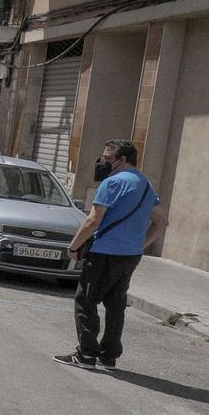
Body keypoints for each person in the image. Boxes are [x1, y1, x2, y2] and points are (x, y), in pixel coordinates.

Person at [59, 139, 168, 371]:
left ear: (122, 159)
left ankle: (86, 355)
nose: (103, 162)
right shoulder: (146, 185)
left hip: (104, 254)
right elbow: (162, 222)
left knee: (85, 301)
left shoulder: (112, 183)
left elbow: (93, 220)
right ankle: (109, 357)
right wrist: (141, 243)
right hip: (130, 256)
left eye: (108, 158)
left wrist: (73, 246)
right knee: (116, 305)